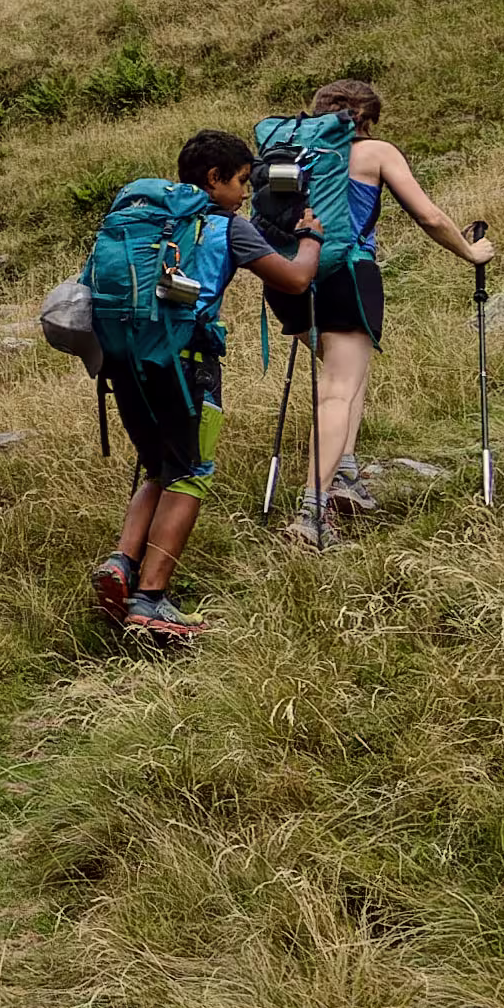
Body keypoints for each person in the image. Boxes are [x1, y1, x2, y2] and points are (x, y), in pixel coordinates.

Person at [85, 127, 316, 653]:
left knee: (159, 466)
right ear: (215, 179)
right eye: (239, 181)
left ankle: (121, 564)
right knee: (191, 474)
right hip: (191, 368)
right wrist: (311, 237)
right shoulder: (225, 225)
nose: (246, 192)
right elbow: (296, 280)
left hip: (125, 366)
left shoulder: (147, 223)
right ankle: (151, 601)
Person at [254, 78, 492, 543]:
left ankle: (344, 474)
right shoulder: (375, 152)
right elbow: (430, 217)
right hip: (348, 273)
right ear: (368, 118)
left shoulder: (290, 151)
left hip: (286, 277)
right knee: (339, 387)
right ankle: (312, 512)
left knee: (345, 373)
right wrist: (471, 253)